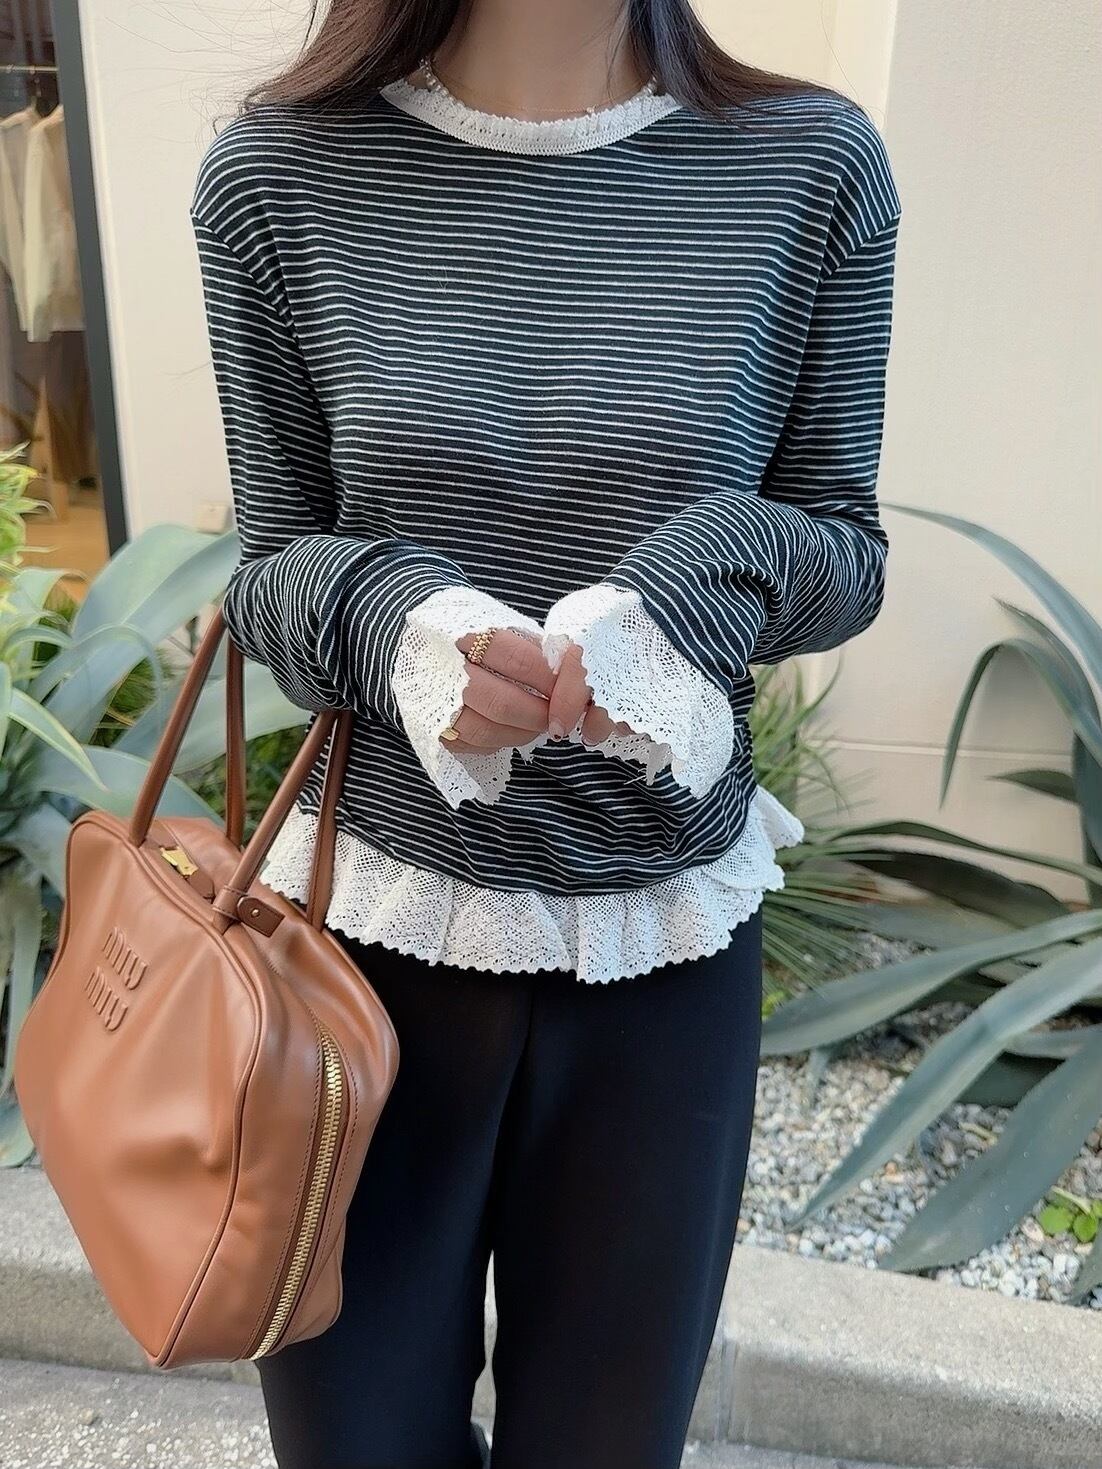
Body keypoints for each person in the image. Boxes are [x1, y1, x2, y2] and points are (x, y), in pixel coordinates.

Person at [188, 1, 901, 1464]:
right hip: (361, 953)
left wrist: (690, 588)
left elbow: (843, 547)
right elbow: (268, 570)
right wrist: (398, 617)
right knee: (353, 1447)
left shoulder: (810, 165)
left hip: (665, 947)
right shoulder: (277, 174)